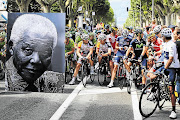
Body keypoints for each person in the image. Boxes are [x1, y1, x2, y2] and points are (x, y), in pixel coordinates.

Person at [6, 14, 59, 92]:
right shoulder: (4, 80)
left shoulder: (57, 82)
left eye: (44, 53)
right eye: (28, 50)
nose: (36, 60)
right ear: (11, 47)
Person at [150, 28, 180, 119]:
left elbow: (170, 59)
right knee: (153, 73)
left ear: (164, 36)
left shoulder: (172, 45)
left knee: (171, 89)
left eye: (162, 36)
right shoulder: (166, 43)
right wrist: (155, 54)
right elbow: (163, 52)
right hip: (166, 65)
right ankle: (155, 91)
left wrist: (164, 68)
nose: (161, 37)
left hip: (172, 68)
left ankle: (173, 110)